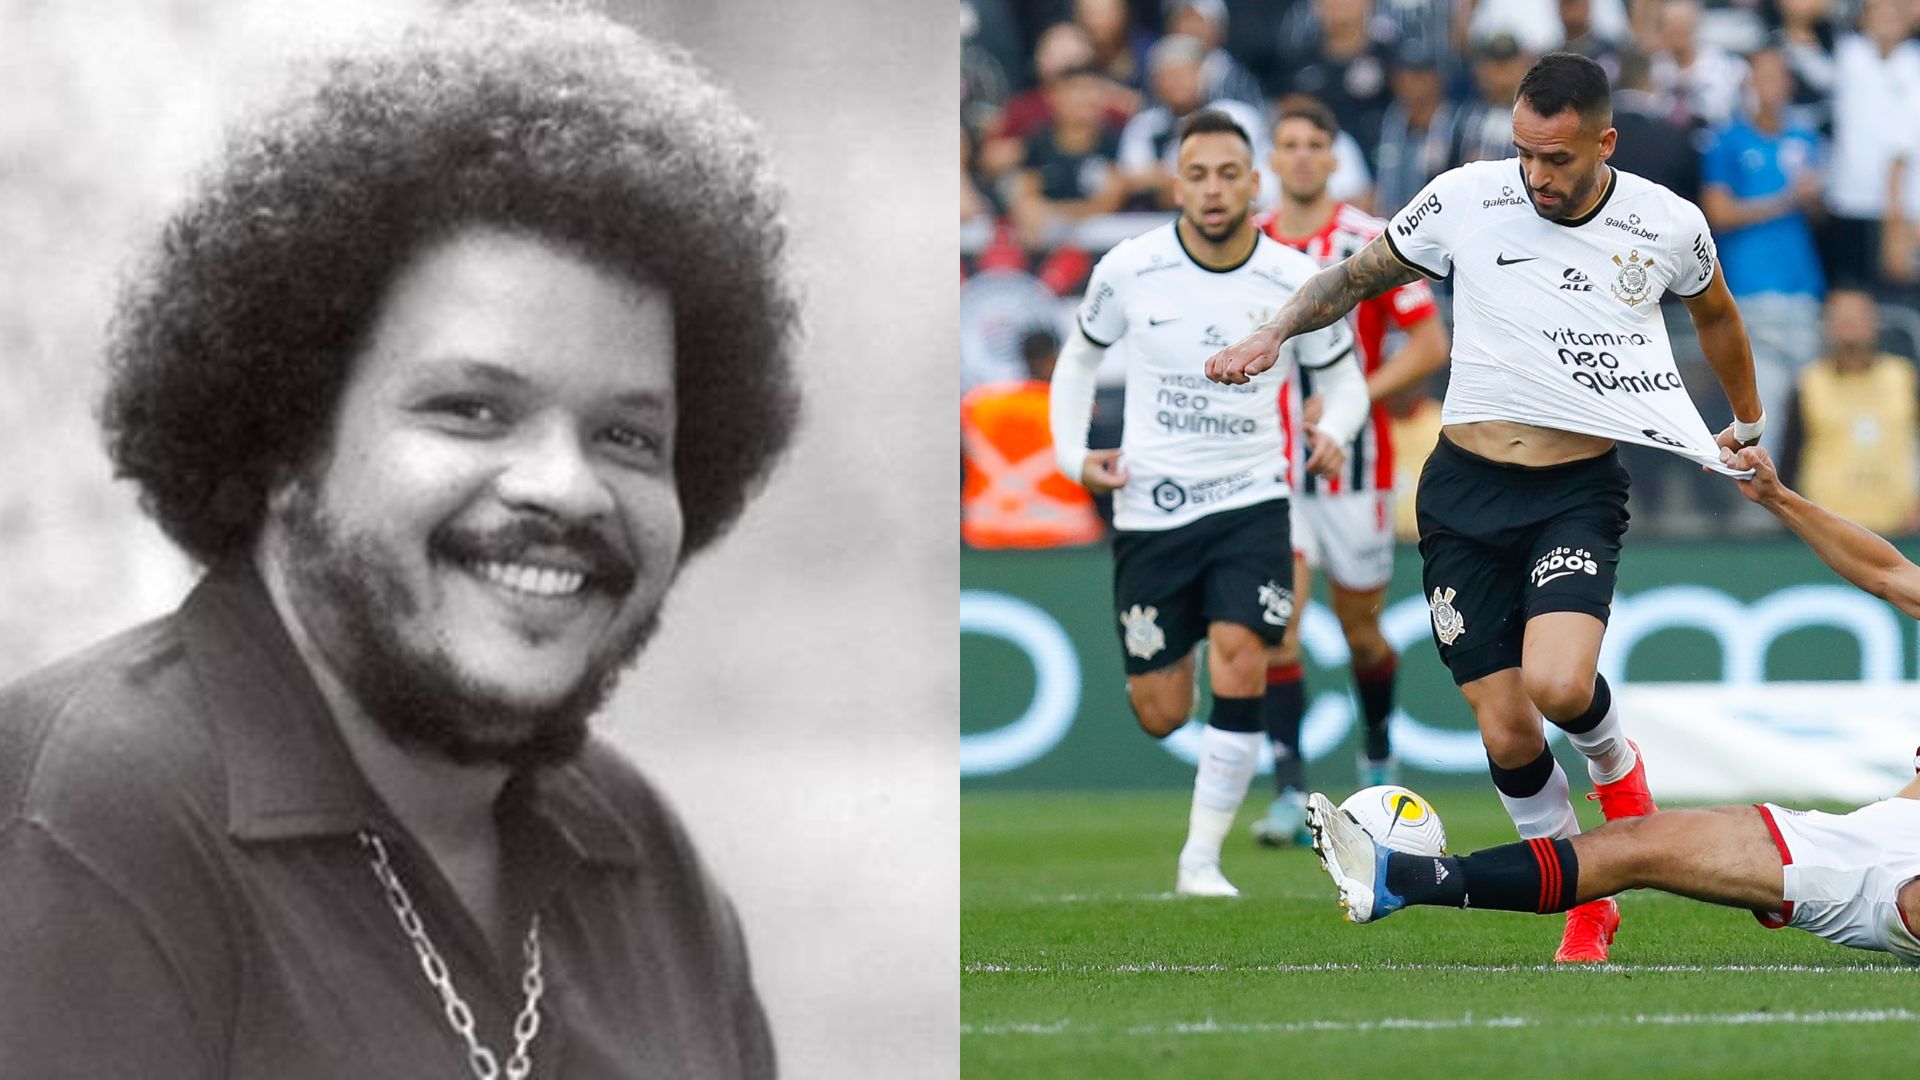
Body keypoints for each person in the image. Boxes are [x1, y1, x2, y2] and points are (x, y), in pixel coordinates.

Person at [0, 7, 798, 1076]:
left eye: (625, 434)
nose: (565, 485)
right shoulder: (89, 820)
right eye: (472, 408)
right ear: (286, 440)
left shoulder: (640, 854)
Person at [1206, 52, 1765, 961]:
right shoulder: (1468, 196)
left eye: (1558, 159)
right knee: (1505, 723)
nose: (1537, 176)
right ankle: (1589, 901)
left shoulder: (1667, 224)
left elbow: (1719, 317)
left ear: (1604, 141)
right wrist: (1271, 331)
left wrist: (1745, 418)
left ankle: (1618, 770)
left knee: (1558, 685)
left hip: (1573, 491)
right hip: (1462, 491)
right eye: (1525, 155)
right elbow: (1354, 278)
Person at [1305, 444, 1920, 968]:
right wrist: (1777, 496)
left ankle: (1400, 877)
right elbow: (1888, 574)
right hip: (1872, 836)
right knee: (1634, 843)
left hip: (1885, 875)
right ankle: (1404, 879)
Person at [1049, 108, 1367, 898]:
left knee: (1245, 658)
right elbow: (1077, 364)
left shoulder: (1296, 279)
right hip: (1152, 505)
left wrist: (1339, 428)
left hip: (1253, 497)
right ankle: (1184, 722)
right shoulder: (1129, 267)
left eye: (1230, 173)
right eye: (1199, 174)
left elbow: (1344, 381)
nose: (1215, 188)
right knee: (1160, 710)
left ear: (1254, 183)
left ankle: (1200, 860)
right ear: (1176, 182)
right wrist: (1070, 455)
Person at [1247, 96, 1451, 848]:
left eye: (1314, 144)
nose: (1301, 156)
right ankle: (1291, 792)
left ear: (1334, 159)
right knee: (1280, 627)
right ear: (1273, 158)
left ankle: (1376, 756)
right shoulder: (1250, 244)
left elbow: (1429, 347)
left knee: (1363, 631)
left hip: (1355, 469)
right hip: (1266, 469)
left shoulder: (1368, 240)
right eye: (1288, 144)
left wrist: (1348, 402)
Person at [1779, 290, 1920, 534]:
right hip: (1829, 531)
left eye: (1858, 317)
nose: (1850, 326)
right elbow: (1789, 461)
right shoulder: (1809, 384)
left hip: (1900, 528)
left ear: (1875, 322)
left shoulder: (1904, 378)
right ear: (1827, 325)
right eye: (1841, 317)